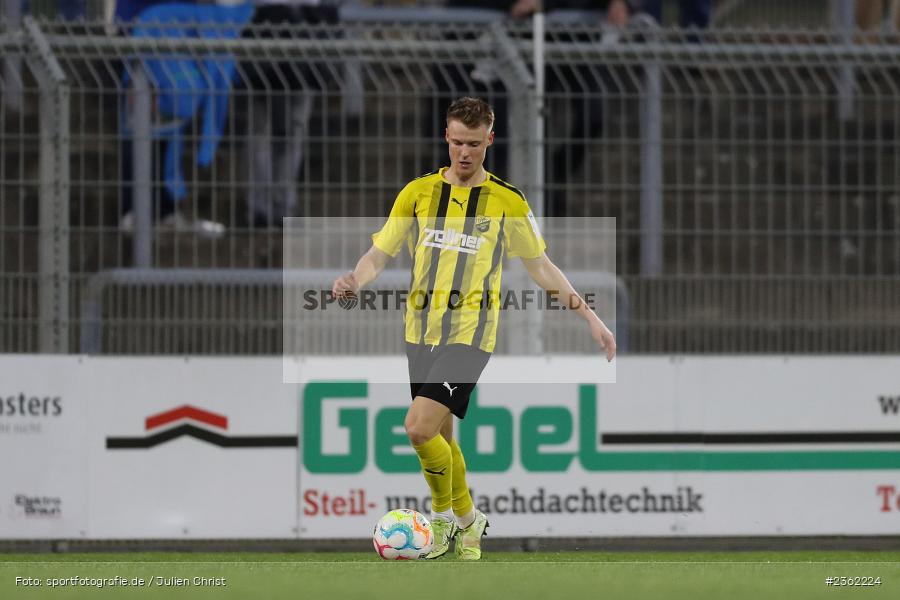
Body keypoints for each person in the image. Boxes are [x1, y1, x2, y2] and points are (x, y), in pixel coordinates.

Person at [332, 97, 616, 560]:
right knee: (441, 438)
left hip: (471, 336)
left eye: (475, 144)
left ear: (490, 140)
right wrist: (354, 279)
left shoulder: (507, 201)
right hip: (419, 333)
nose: (465, 153)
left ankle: (442, 520)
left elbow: (541, 267)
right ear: (446, 137)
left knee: (417, 428)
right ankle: (469, 523)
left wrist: (590, 316)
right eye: (458, 142)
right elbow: (380, 253)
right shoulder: (418, 193)